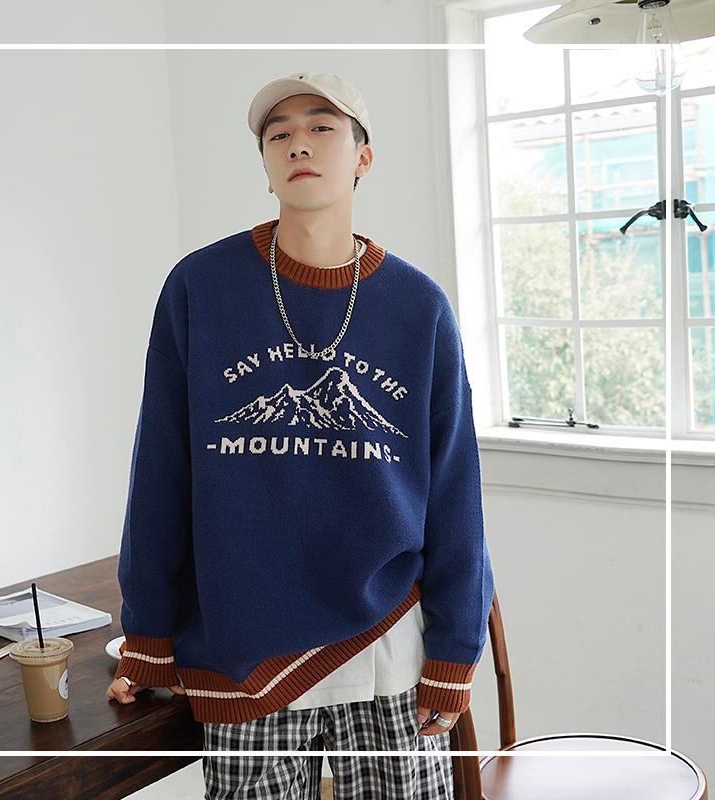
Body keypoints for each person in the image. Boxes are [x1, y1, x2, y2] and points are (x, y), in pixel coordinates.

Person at [106, 71, 495, 799]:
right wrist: (147, 633)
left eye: (322, 127)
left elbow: (455, 491)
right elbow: (160, 470)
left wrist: (455, 647)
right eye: (278, 134)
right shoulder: (201, 288)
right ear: (264, 165)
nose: (298, 144)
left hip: (388, 645)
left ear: (363, 157)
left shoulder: (417, 306)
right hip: (244, 649)